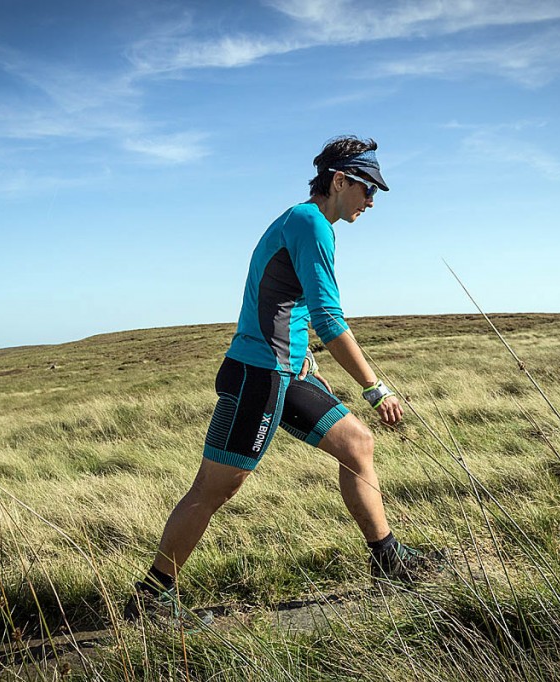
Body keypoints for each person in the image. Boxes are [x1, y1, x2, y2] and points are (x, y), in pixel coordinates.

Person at [124, 135, 430, 628]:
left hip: (286, 369)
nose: (372, 201)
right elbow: (329, 317)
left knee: (356, 444)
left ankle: (388, 559)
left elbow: (286, 303)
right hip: (259, 374)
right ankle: (153, 597)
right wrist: (376, 387)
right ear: (338, 181)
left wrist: (302, 356)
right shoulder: (310, 222)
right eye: (366, 188)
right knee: (214, 489)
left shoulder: (303, 222)